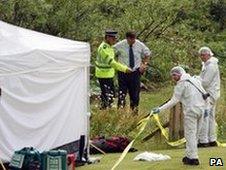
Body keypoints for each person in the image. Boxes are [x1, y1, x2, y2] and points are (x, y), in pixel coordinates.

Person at [152, 66, 207, 165]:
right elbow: (205, 94)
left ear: (181, 74)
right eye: (172, 75)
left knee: (190, 135)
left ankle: (194, 158)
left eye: (175, 75)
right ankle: (189, 156)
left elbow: (174, 101)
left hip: (191, 111)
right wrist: (207, 108)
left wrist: (159, 109)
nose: (173, 77)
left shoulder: (181, 84)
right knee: (194, 135)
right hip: (201, 110)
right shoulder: (195, 80)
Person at [114, 31, 151, 114]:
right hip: (123, 72)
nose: (133, 41)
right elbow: (111, 54)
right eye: (131, 39)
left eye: (134, 39)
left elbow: (147, 54)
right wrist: (117, 65)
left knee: (135, 95)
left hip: (135, 72)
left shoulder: (139, 45)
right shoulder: (120, 45)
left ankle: (134, 114)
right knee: (122, 94)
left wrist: (144, 64)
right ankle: (120, 114)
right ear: (127, 38)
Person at [95, 30, 132, 109]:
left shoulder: (109, 46)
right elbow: (112, 63)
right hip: (103, 75)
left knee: (110, 96)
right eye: (113, 39)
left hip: (108, 74)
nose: (115, 41)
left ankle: (105, 110)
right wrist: (125, 69)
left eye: (115, 39)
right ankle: (104, 112)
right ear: (108, 37)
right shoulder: (103, 48)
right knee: (107, 97)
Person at [197, 46, 220, 147]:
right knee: (210, 117)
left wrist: (195, 81)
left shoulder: (211, 66)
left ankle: (204, 140)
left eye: (203, 55)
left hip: (209, 94)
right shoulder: (207, 64)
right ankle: (212, 139)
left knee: (205, 116)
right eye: (200, 55)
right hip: (210, 94)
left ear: (208, 54)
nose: (201, 57)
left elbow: (205, 82)